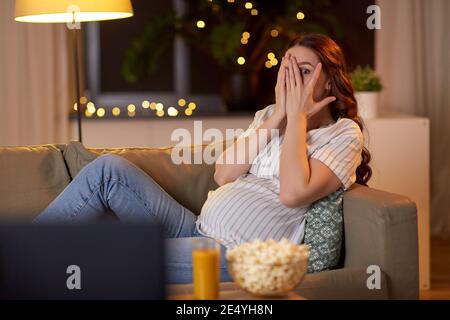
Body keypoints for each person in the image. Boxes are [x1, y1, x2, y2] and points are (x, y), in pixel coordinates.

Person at [34, 34, 371, 284]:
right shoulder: (270, 116)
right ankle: (22, 252)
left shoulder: (343, 135)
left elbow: (292, 193)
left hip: (236, 256)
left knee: (116, 254)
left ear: (329, 77)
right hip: (193, 229)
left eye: (305, 70)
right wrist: (278, 116)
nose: (292, 79)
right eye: (287, 69)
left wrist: (297, 119)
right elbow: (224, 174)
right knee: (108, 171)